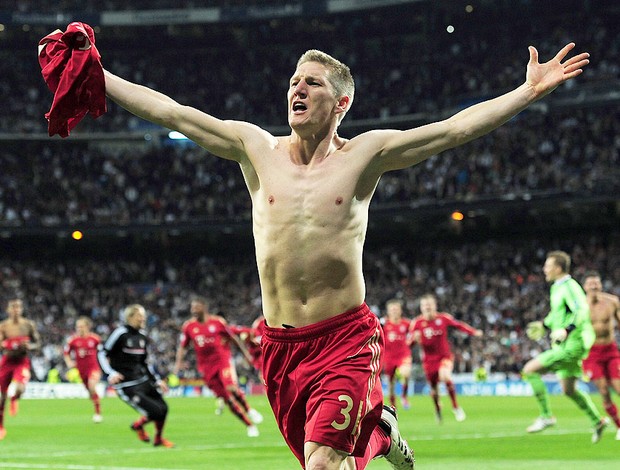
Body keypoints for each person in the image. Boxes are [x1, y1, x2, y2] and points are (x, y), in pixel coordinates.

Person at [87, 33, 589, 469]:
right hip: (280, 347)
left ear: (341, 102)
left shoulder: (364, 155)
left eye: (312, 82)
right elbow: (172, 111)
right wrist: (97, 73)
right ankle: (383, 433)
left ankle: (374, 430)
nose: (296, 89)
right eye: (293, 82)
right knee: (332, 459)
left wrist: (526, 92)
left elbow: (453, 130)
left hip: (344, 338)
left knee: (322, 460)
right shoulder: (255, 148)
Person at [523, 251, 609, 443]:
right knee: (568, 389)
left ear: (558, 268)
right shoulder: (557, 287)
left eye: (548, 265)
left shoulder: (570, 286)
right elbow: (557, 314)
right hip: (564, 343)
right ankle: (598, 421)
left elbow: (581, 310)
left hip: (573, 344)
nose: (544, 269)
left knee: (530, 370)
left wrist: (567, 330)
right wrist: (545, 325)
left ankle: (546, 416)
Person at [173, 296, 263, 437]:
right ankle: (249, 425)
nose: (193, 310)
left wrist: (246, 355)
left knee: (231, 388)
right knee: (227, 399)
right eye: (192, 308)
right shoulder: (189, 327)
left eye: (196, 307)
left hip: (222, 361)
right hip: (206, 368)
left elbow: (234, 339)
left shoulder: (218, 322)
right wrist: (178, 364)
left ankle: (249, 409)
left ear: (204, 307)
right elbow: (183, 347)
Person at [97, 304, 174, 448]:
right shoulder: (120, 334)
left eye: (143, 315)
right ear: (130, 317)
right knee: (155, 411)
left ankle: (158, 439)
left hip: (143, 380)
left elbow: (144, 363)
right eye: (140, 315)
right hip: (127, 385)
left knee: (164, 408)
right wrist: (110, 373)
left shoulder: (142, 337)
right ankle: (138, 426)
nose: (143, 318)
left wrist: (156, 381)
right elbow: (102, 353)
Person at [409, 294, 482, 423]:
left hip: (444, 357)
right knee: (434, 390)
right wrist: (413, 340)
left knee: (446, 376)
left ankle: (456, 407)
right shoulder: (417, 323)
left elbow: (459, 325)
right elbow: (408, 343)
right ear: (421, 308)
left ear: (435, 306)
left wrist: (473, 332)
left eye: (430, 305)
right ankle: (437, 409)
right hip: (428, 361)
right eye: (425, 305)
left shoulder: (443, 318)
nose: (427, 307)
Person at [582, 271, 620, 440]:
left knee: (619, 388)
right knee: (604, 391)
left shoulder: (612, 302)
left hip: (611, 350)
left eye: (596, 283)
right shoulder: (580, 306)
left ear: (601, 285)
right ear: (584, 287)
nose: (594, 286)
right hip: (591, 353)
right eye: (590, 283)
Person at [0, 296, 41, 440]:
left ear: (21, 310)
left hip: (22, 361)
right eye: (13, 307)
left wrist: (30, 346)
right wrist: (5, 345)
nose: (16, 310)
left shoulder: (28, 325)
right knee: (1, 396)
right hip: (7, 361)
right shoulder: (4, 326)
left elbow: (38, 344)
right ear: (8, 310)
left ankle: (15, 399)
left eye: (18, 307)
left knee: (20, 388)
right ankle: (1, 426)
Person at [63, 316, 103, 423]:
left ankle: (98, 413)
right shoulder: (73, 340)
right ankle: (96, 400)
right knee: (90, 393)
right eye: (78, 327)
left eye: (81, 326)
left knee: (92, 385)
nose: (79, 329)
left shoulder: (95, 339)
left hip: (94, 368)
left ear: (87, 327)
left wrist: (106, 362)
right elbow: (66, 352)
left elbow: (104, 351)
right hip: (81, 371)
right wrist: (69, 362)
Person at [381, 299, 412, 410]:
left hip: (403, 355)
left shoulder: (407, 324)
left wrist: (413, 340)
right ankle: (393, 407)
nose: (394, 311)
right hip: (388, 357)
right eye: (392, 309)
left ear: (400, 311)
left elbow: (414, 334)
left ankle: (404, 395)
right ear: (388, 311)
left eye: (396, 309)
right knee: (391, 384)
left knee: (406, 373)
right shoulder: (383, 324)